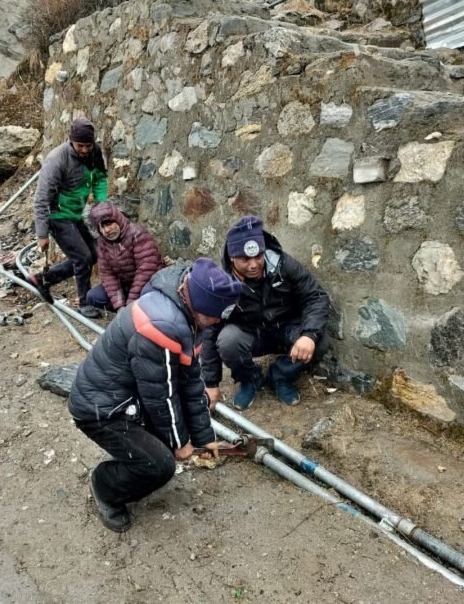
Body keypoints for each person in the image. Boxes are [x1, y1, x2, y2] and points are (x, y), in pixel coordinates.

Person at [68, 258, 242, 532]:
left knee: (166, 441)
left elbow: (189, 381)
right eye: (216, 315)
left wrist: (203, 438)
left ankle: (136, 459)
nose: (219, 321)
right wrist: (180, 442)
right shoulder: (163, 325)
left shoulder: (187, 312)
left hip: (128, 398)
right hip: (101, 410)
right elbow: (162, 396)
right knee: (159, 465)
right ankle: (104, 485)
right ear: (201, 305)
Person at [200, 216, 334, 410]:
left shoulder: (283, 265)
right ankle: (251, 378)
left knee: (319, 340)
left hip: (286, 328)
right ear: (231, 257)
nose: (254, 264)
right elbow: (210, 332)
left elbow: (316, 296)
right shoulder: (224, 285)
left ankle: (279, 375)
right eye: (245, 259)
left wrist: (309, 335)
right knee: (227, 341)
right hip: (251, 334)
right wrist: (211, 383)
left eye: (258, 256)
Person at [29, 117, 107, 318]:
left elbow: (100, 178)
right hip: (57, 215)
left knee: (94, 254)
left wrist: (102, 205)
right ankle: (84, 302)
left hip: (76, 213)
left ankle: (43, 280)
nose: (84, 150)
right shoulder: (56, 160)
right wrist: (42, 234)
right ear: (71, 141)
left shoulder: (95, 151)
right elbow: (41, 200)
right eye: (80, 146)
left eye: (88, 146)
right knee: (83, 257)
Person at [82, 201, 164, 317]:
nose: (107, 230)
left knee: (150, 297)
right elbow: (107, 275)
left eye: (109, 224)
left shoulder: (138, 234)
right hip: (126, 286)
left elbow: (145, 271)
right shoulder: (102, 243)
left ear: (118, 220)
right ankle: (131, 313)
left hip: (149, 283)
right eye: (102, 227)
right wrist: (119, 305)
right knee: (93, 297)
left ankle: (139, 313)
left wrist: (130, 303)